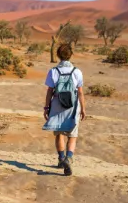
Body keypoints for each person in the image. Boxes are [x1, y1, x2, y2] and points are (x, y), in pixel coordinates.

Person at [42, 43, 86, 176]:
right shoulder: (77, 71)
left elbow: (50, 91)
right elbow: (80, 92)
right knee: (72, 134)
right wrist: (83, 108)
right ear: (71, 55)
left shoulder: (53, 71)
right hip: (73, 105)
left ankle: (61, 159)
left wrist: (46, 107)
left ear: (58, 55)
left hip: (57, 104)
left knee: (59, 132)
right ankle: (69, 158)